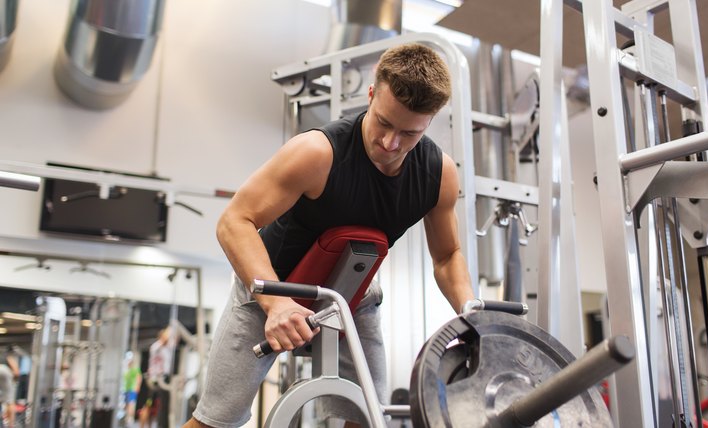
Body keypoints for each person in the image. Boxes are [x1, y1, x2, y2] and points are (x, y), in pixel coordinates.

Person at [184, 42, 475, 428]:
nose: (391, 144)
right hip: (272, 285)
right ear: (371, 94)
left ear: (430, 121)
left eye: (408, 133)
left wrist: (471, 310)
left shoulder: (439, 173)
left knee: (366, 420)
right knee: (215, 421)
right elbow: (235, 220)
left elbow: (447, 254)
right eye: (384, 123)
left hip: (351, 297)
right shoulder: (317, 153)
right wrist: (276, 303)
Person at [140, 327, 175, 428]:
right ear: (162, 336)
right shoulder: (157, 346)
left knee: (158, 406)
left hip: (162, 379)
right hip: (155, 380)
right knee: (148, 405)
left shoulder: (166, 347)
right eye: (166, 335)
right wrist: (171, 326)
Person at [0, 346, 19, 427]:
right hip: (4, 371)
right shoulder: (9, 356)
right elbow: (16, 372)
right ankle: (10, 425)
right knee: (9, 400)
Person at [123, 352, 142, 425]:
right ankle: (126, 418)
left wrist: (137, 387)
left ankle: (130, 419)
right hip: (126, 389)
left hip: (132, 389)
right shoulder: (126, 370)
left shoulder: (135, 369)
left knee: (131, 404)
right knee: (126, 404)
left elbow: (139, 377)